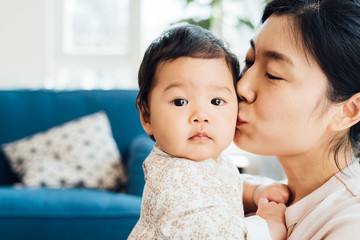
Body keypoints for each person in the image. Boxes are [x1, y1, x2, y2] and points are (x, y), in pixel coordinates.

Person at [128, 24, 288, 240]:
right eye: (180, 101)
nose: (201, 115)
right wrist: (269, 224)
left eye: (216, 101)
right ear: (147, 116)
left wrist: (252, 192)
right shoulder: (175, 183)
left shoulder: (202, 163)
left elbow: (217, 185)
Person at [234, 0, 360, 239]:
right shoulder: (265, 198)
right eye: (249, 62)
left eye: (273, 75)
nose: (242, 86)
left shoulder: (350, 224)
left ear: (349, 110)